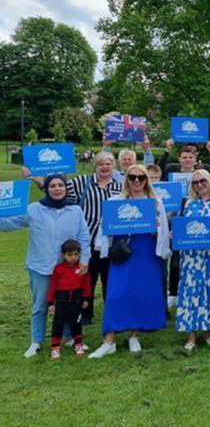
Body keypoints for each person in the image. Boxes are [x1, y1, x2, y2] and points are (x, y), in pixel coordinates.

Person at [24, 151, 123, 325]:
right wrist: (35, 179)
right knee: (85, 281)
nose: (105, 167)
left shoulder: (120, 185)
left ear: (113, 165)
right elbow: (57, 190)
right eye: (101, 164)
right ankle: (84, 315)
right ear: (95, 166)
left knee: (110, 281)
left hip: (110, 243)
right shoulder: (82, 182)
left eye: (108, 163)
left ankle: (111, 315)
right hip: (87, 241)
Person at [0, 174, 91, 358]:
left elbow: (84, 237)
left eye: (60, 185)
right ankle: (36, 341)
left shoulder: (75, 210)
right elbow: (9, 224)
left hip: (68, 268)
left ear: (65, 188)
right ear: (47, 189)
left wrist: (85, 261)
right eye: (53, 186)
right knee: (40, 305)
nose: (57, 189)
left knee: (69, 303)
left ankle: (69, 337)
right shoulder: (34, 209)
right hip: (40, 266)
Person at [89, 165, 171, 358]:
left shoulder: (155, 202)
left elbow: (164, 230)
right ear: (127, 179)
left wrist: (156, 228)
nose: (136, 181)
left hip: (146, 252)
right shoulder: (115, 201)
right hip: (123, 252)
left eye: (140, 178)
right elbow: (104, 226)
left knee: (140, 293)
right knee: (116, 294)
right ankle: (109, 341)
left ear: (146, 180)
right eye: (132, 177)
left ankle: (134, 334)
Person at [176, 169, 210, 353]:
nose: (199, 185)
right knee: (192, 292)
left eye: (202, 181)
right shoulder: (189, 204)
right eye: (195, 182)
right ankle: (191, 336)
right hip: (193, 257)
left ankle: (209, 332)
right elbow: (182, 229)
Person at [47, 239, 92, 359]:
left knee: (76, 323)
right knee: (58, 324)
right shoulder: (58, 269)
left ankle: (78, 344)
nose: (73, 257)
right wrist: (51, 302)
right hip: (61, 301)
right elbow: (53, 286)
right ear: (63, 255)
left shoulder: (83, 268)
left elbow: (87, 284)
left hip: (76, 301)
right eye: (70, 255)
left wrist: (86, 298)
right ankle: (55, 347)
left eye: (76, 254)